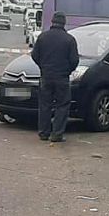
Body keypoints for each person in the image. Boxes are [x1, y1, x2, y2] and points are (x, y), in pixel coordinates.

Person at [31, 12, 79, 142]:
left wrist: (43, 66)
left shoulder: (42, 37)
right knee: (62, 105)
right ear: (64, 23)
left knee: (45, 105)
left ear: (52, 22)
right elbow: (74, 60)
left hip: (46, 76)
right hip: (62, 77)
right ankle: (57, 134)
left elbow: (34, 55)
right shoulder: (69, 40)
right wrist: (67, 70)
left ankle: (43, 133)